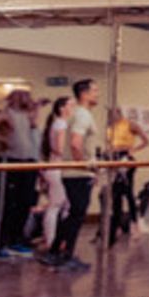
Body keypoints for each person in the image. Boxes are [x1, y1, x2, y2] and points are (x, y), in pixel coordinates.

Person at [0, 89, 42, 258]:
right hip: (11, 161)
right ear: (13, 99)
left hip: (28, 163)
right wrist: (2, 139)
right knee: (8, 204)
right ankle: (0, 244)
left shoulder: (28, 115)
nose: (26, 99)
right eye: (22, 97)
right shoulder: (6, 115)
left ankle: (17, 241)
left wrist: (36, 110)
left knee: (25, 203)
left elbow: (34, 133)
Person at [43, 78, 98, 272]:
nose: (97, 94)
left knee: (74, 213)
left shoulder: (77, 114)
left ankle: (56, 251)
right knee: (77, 214)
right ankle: (64, 255)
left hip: (73, 172)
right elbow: (75, 143)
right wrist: (86, 166)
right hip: (77, 173)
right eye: (94, 91)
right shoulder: (82, 115)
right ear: (84, 94)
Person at [106, 107, 149, 245]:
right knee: (115, 193)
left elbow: (146, 140)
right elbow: (109, 144)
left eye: (115, 113)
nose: (113, 116)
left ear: (119, 113)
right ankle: (117, 225)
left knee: (128, 192)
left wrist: (133, 150)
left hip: (126, 159)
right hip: (114, 160)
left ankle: (135, 224)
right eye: (110, 114)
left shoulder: (129, 124)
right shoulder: (109, 127)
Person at [39, 97, 71, 254]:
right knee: (58, 206)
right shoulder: (62, 124)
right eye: (71, 105)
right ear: (62, 108)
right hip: (58, 168)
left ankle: (56, 238)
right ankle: (53, 240)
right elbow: (59, 148)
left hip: (53, 167)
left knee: (59, 205)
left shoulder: (55, 123)